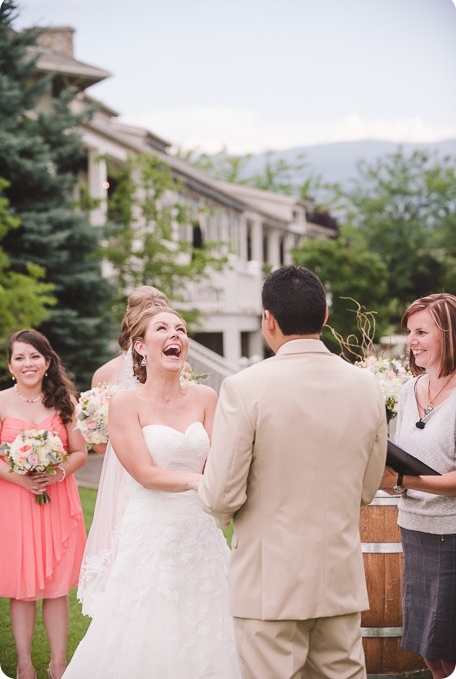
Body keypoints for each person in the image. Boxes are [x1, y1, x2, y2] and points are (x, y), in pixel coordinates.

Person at [198, 265, 388, 679]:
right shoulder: (366, 386)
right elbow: (369, 487)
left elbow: (221, 495)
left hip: (270, 585)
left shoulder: (244, 388)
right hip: (338, 579)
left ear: (268, 318)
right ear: (324, 316)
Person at [63, 306, 241, 678]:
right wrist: (197, 482)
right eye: (163, 329)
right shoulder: (126, 404)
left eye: (181, 329)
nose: (175, 334)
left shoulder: (207, 397)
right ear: (141, 348)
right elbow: (144, 473)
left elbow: (220, 461)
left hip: (201, 534)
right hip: (151, 534)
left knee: (211, 625)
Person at [0, 329, 87, 679]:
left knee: (55, 588)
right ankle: (24, 667)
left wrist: (58, 472)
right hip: (15, 501)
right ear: (10, 365)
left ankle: (59, 665)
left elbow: (80, 452)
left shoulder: (65, 400)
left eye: (35, 356)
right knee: (21, 590)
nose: (28, 363)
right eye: (20, 357)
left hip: (57, 501)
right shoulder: (2, 402)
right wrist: (19, 477)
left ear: (48, 362)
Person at [77, 285, 169, 617]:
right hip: (159, 465)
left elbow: (99, 445)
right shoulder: (175, 370)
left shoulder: (103, 373)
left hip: (122, 471)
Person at [381, 293, 456, 679]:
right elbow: (402, 455)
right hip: (414, 529)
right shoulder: (410, 391)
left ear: (450, 333)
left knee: (447, 647)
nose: (412, 340)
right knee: (428, 649)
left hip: (451, 535)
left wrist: (403, 479)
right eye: (410, 331)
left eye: (422, 331)